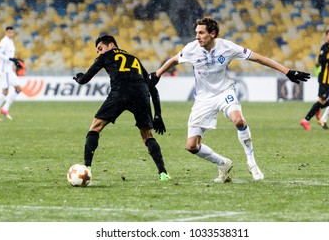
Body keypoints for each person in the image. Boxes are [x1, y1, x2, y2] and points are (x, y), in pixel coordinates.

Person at [149, 17, 310, 183]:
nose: (197, 36)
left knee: (239, 120)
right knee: (191, 146)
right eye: (196, 32)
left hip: (225, 91)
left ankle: (252, 163)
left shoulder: (227, 47)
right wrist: (157, 74)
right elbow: (175, 60)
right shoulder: (191, 48)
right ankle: (222, 163)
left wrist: (287, 71)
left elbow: (258, 58)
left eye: (201, 33)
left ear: (212, 34)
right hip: (203, 98)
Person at [73, 34, 170, 181]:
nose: (99, 52)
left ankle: (87, 168)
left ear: (111, 45)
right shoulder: (134, 58)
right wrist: (157, 115)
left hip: (120, 92)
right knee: (147, 135)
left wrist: (79, 78)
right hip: (141, 95)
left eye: (100, 48)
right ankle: (163, 173)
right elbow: (152, 87)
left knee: (95, 127)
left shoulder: (106, 56)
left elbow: (86, 78)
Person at [300, 28, 329, 130]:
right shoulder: (325, 47)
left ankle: (318, 108)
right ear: (326, 36)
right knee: (321, 100)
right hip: (324, 79)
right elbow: (321, 60)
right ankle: (305, 120)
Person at [0, 26, 23, 121]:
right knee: (5, 91)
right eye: (9, 32)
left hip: (9, 70)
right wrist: (10, 59)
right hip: (4, 70)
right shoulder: (4, 41)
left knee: (18, 88)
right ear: (6, 33)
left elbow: (10, 56)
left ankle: (5, 109)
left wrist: (15, 62)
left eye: (12, 32)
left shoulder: (10, 41)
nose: (10, 34)